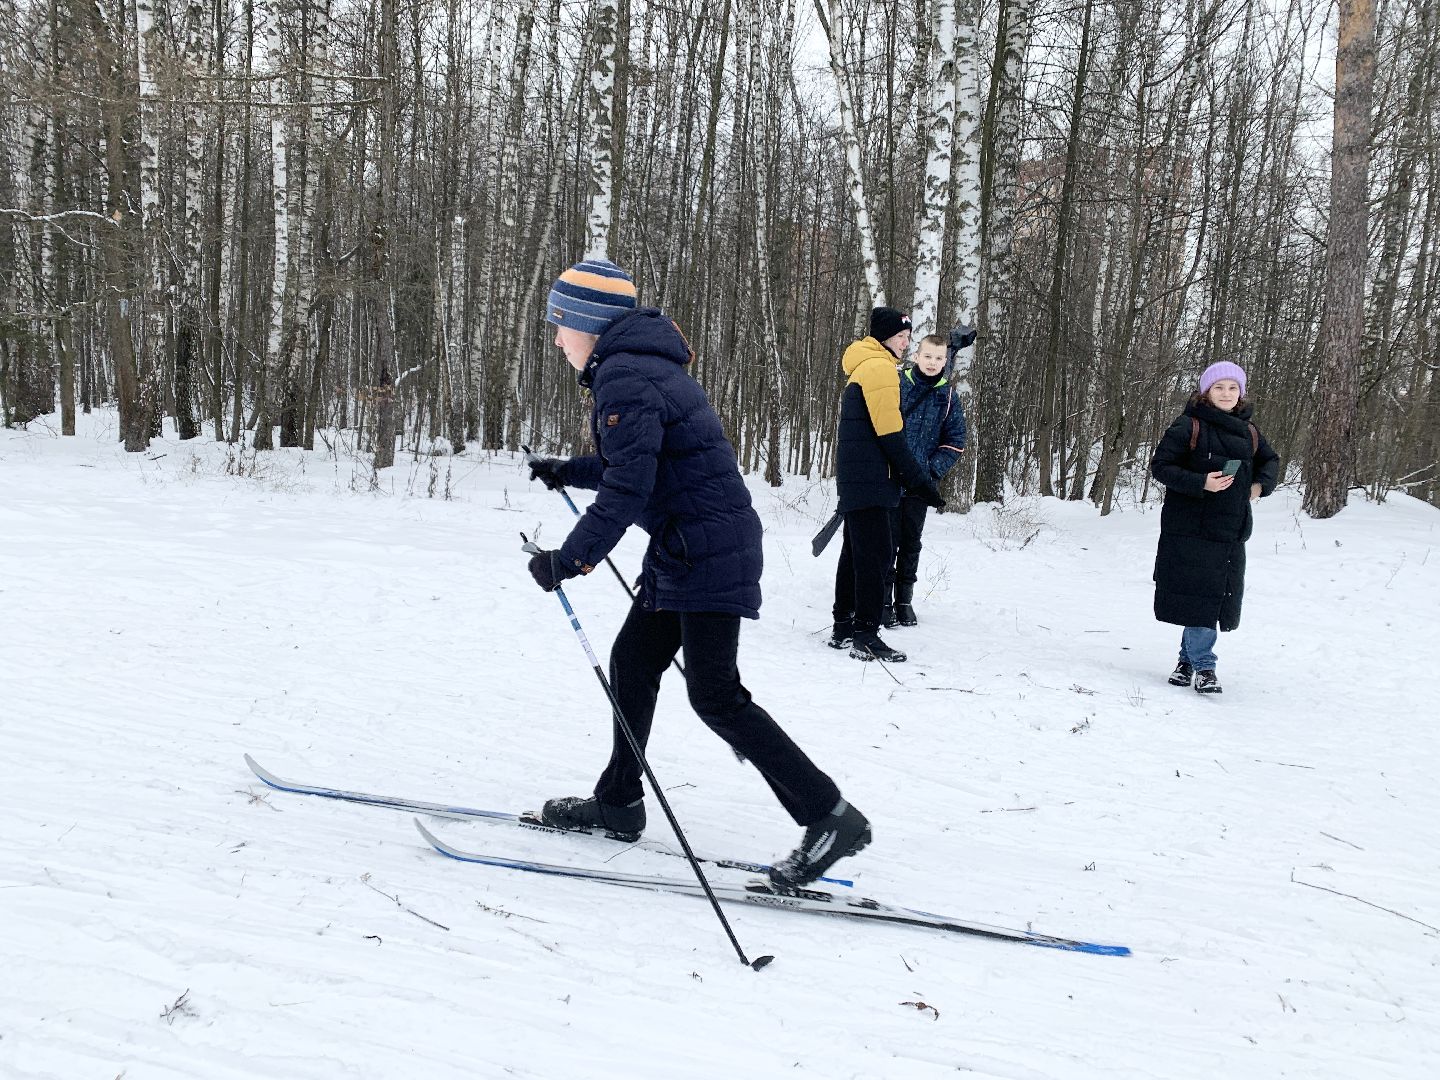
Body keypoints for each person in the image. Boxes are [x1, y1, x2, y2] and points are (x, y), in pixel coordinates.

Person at [523, 258, 870, 888]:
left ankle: (829, 815)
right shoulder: (639, 369)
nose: (556, 339)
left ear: (588, 324)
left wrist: (568, 560)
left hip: (706, 551)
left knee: (715, 695)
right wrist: (567, 470)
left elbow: (628, 490)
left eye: (560, 324)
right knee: (632, 661)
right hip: (687, 548)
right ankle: (620, 801)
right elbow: (640, 464)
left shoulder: (624, 377)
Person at [1149, 361, 1280, 694]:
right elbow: (1161, 466)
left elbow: (1270, 460)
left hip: (1230, 529)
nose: (1226, 393)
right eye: (1219, 387)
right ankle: (1205, 667)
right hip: (1190, 527)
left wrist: (1260, 486)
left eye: (1233, 387)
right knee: (1204, 597)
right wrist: (1200, 482)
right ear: (1206, 391)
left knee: (1206, 597)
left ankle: (1186, 661)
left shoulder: (1249, 431)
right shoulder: (1188, 425)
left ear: (1241, 393)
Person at [829, 307, 945, 662]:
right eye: (900, 336)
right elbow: (890, 433)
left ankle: (843, 627)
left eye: (909, 337)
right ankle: (865, 634)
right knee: (877, 555)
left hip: (859, 476)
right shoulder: (880, 369)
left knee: (855, 553)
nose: (906, 343)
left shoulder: (863, 366)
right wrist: (920, 481)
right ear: (883, 338)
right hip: (872, 477)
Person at [881, 332, 967, 628]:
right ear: (916, 356)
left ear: (946, 361)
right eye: (927, 356)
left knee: (910, 543)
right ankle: (883, 602)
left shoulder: (948, 397)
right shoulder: (896, 384)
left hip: (920, 485)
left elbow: (956, 440)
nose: (932, 362)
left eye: (939, 358)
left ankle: (904, 601)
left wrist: (930, 471)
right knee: (885, 543)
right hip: (888, 479)